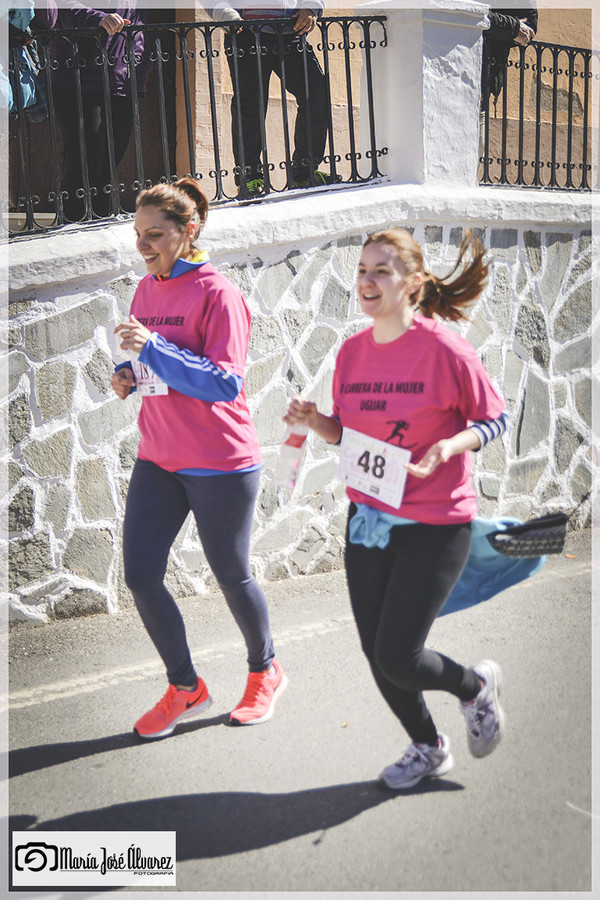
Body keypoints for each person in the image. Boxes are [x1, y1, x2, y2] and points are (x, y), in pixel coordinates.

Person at [284, 229, 509, 790]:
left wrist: (451, 446)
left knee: (398, 654)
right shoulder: (351, 353)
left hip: (436, 523)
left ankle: (475, 688)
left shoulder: (446, 351)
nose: (366, 281)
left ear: (412, 283)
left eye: (380, 271)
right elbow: (348, 434)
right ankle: (428, 747)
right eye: (362, 270)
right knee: (377, 652)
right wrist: (316, 422)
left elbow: (495, 419)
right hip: (369, 519)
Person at [110, 177, 287, 739]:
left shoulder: (219, 294)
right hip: (159, 457)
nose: (143, 245)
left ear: (188, 231)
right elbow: (154, 367)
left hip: (219, 461)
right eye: (138, 235)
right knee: (141, 576)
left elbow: (223, 383)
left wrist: (152, 348)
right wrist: (127, 374)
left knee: (231, 575)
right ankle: (185, 687)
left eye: (155, 235)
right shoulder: (145, 291)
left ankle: (265, 670)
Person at [34, 2, 152, 221]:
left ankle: (98, 226)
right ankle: (71, 227)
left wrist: (141, 66)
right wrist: (98, 19)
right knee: (85, 163)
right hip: (77, 77)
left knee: (109, 165)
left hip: (124, 80)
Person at [208, 0, 330, 198]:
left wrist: (310, 6)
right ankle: (249, 178)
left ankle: (304, 172)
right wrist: (226, 15)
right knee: (250, 104)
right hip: (244, 31)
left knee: (316, 94)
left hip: (292, 30)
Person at [479, 7, 538, 160]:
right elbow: (469, 13)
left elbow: (529, 28)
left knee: (476, 150)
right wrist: (511, 28)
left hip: (484, 80)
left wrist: (497, 27)